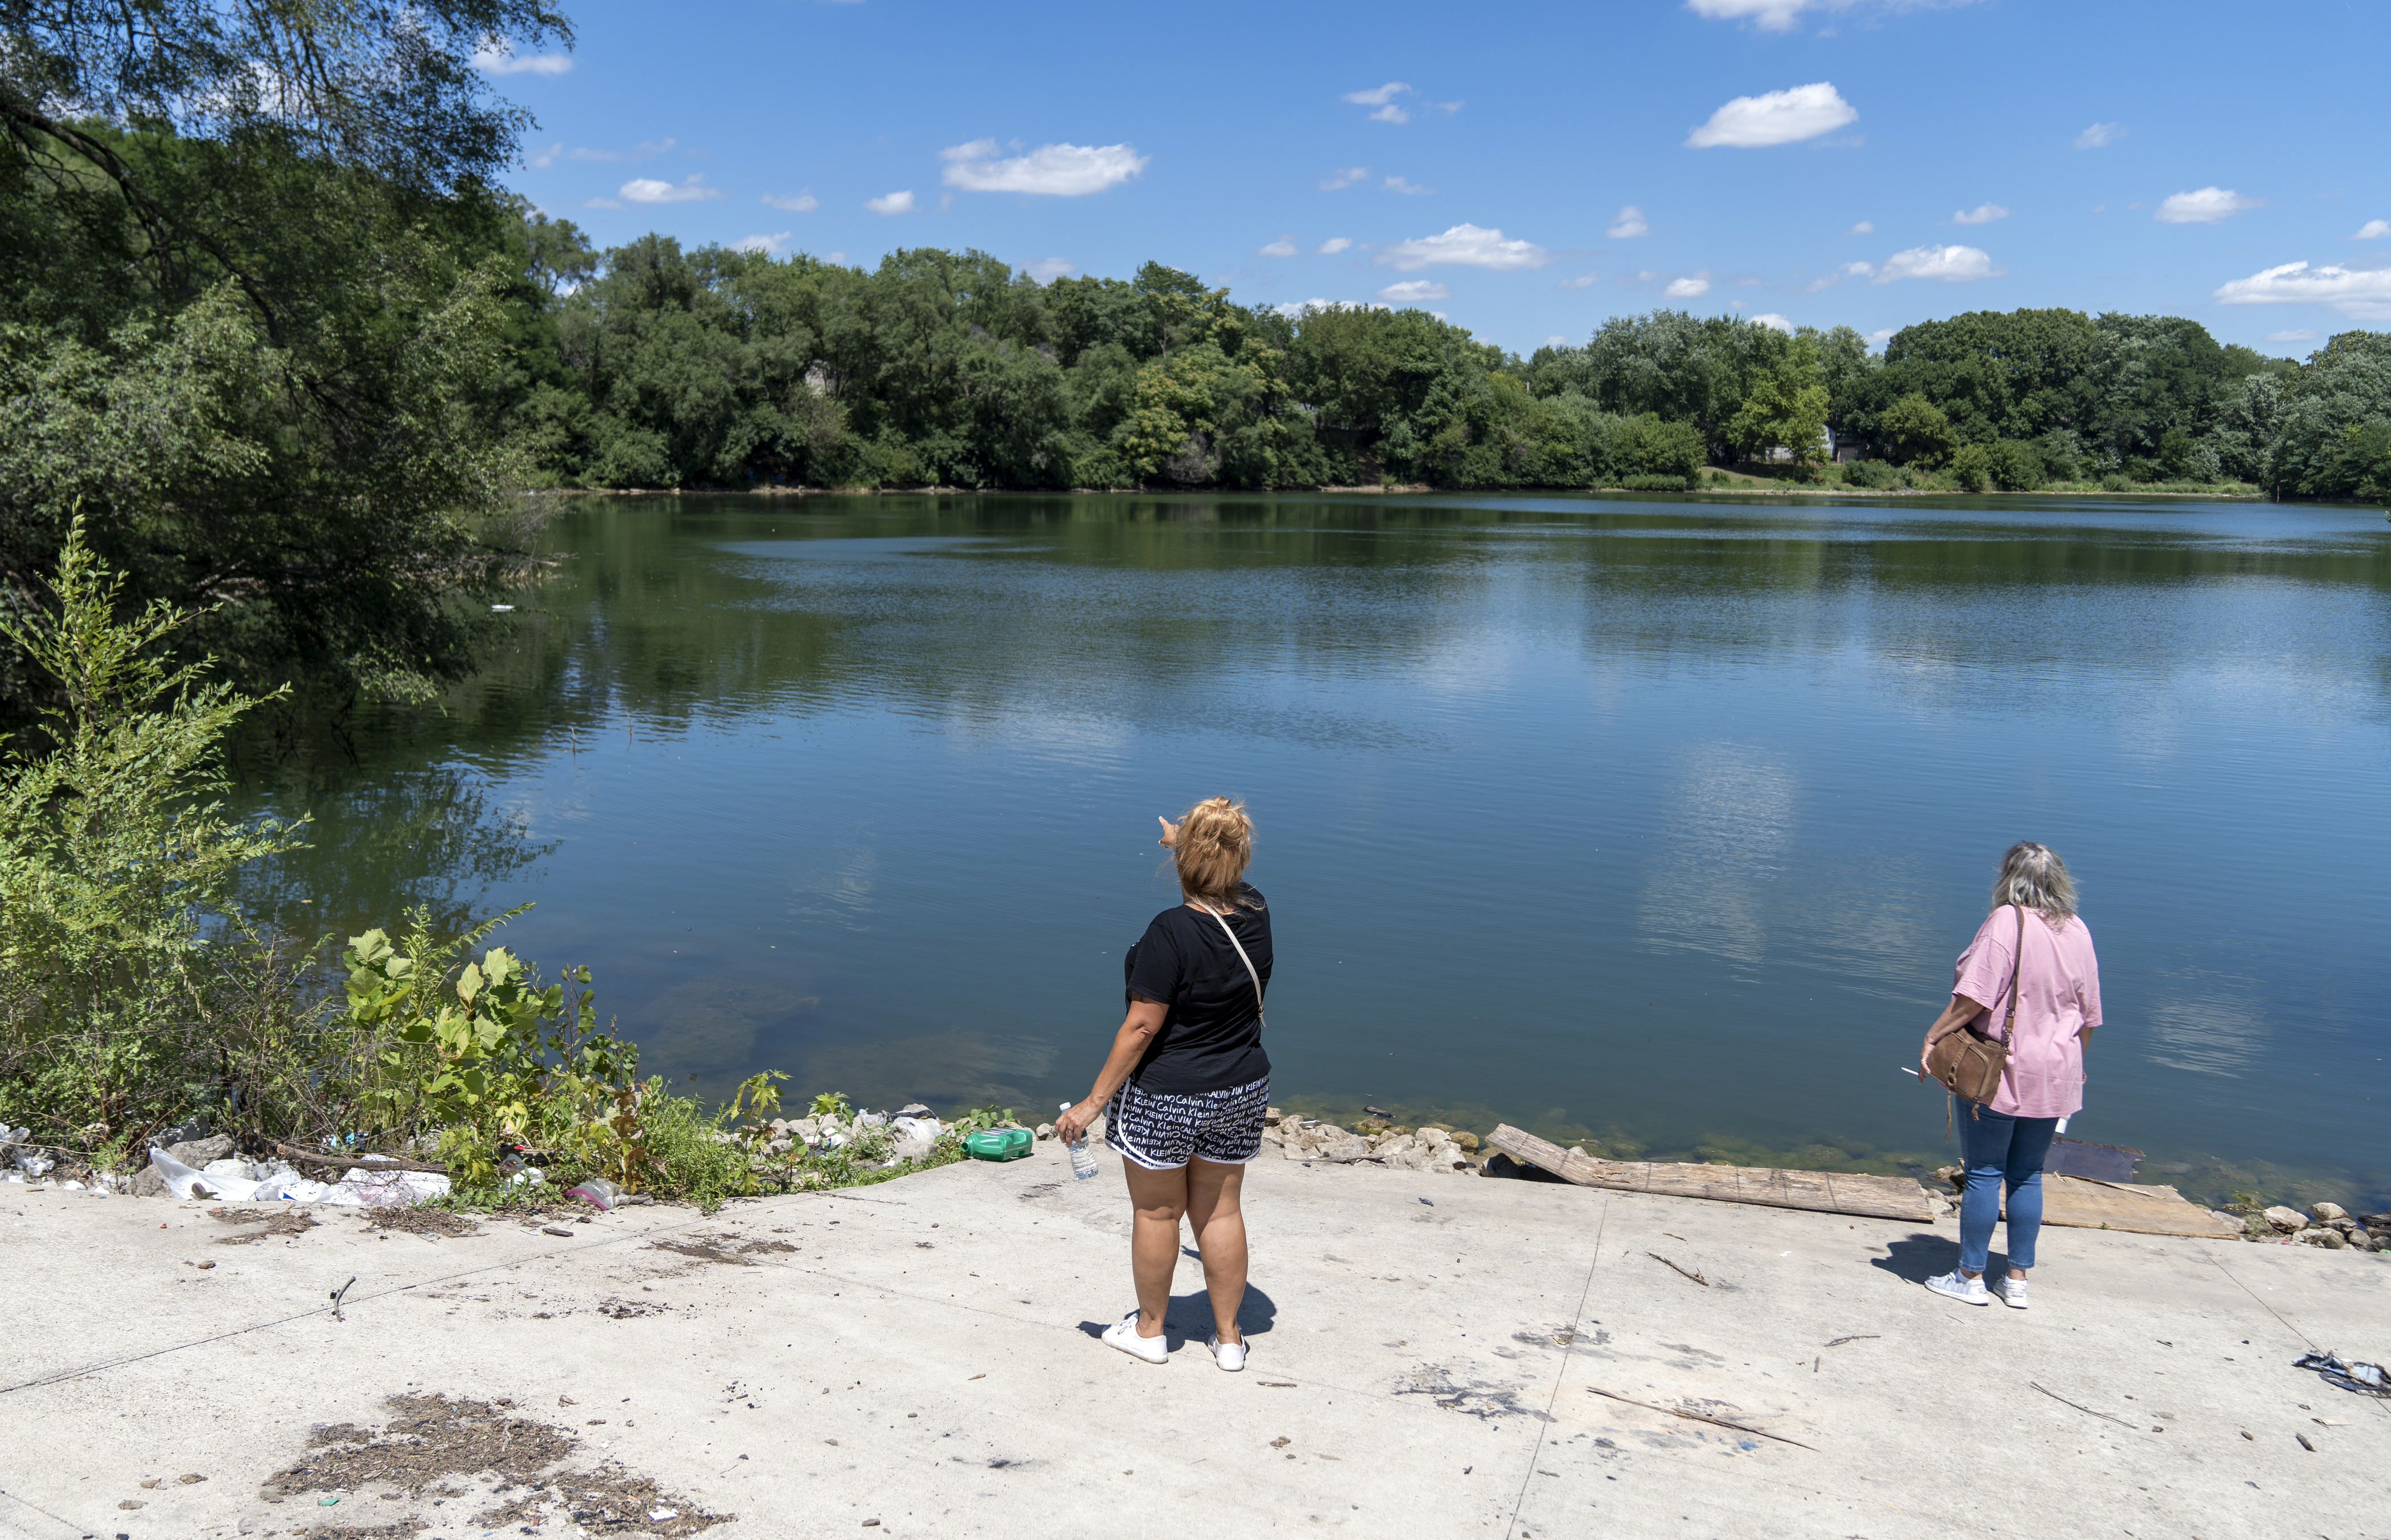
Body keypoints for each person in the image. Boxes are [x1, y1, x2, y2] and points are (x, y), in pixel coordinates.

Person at [1055, 797, 1271, 1370]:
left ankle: (1151, 1332)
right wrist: (1192, 844)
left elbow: (1143, 1023)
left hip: (1167, 1095)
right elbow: (1232, 879)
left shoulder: (1169, 932)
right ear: (1237, 859)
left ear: (1184, 864)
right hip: (1240, 1088)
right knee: (1221, 1213)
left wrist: (1092, 1102)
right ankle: (1229, 1339)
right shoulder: (1256, 910)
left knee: (1157, 1214)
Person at [1917, 841, 2102, 1309]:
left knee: (1983, 1173)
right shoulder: (2078, 929)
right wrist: (2076, 1069)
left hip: (2001, 1069)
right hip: (2059, 1070)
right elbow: (2089, 1017)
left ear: (2007, 877)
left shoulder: (2007, 921)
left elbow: (1974, 998)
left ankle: (1970, 1276)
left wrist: (1933, 1037)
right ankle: (2017, 1279)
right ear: (2061, 881)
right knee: (2027, 1176)